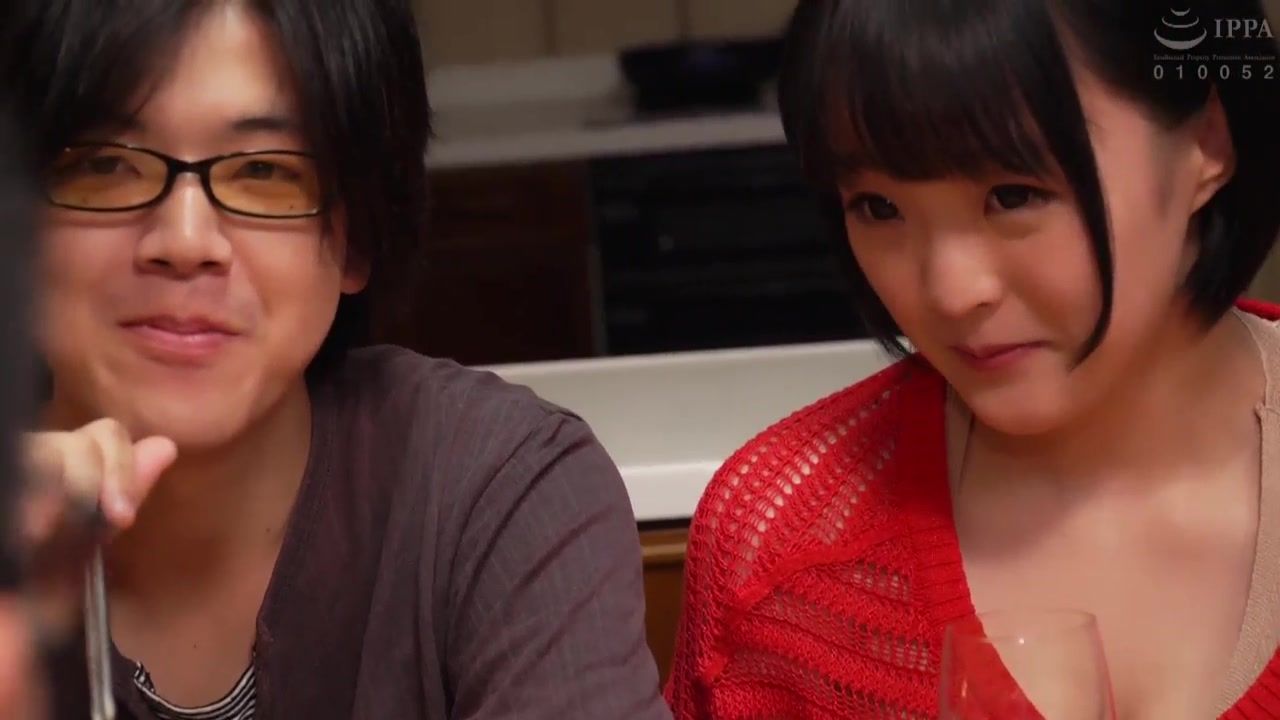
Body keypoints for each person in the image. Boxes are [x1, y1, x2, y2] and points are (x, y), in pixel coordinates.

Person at [0, 1, 671, 718]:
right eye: (104, 166)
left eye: (264, 171)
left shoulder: (493, 490)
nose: (186, 241)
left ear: (356, 237)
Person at [666, 1, 1280, 718]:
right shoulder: (779, 546)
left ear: (1208, 140)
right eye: (878, 208)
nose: (951, 293)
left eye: (1013, 196)